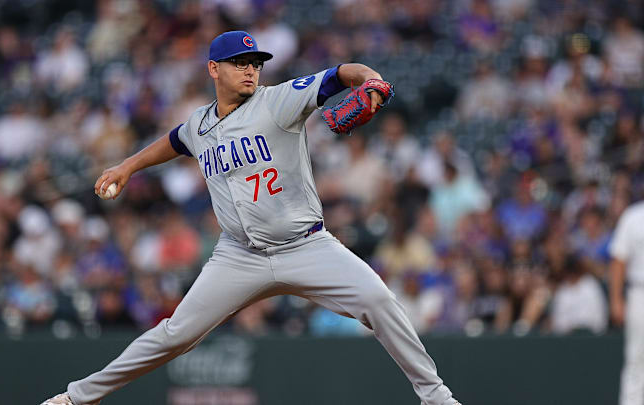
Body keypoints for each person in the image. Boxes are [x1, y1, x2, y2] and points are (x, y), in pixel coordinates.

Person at [40, 31, 460, 405]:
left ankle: (436, 397)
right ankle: (79, 397)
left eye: (255, 63)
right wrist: (128, 166)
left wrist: (370, 81)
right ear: (213, 69)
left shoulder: (277, 101)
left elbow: (339, 74)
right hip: (238, 256)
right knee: (175, 335)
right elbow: (173, 142)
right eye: (240, 63)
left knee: (379, 300)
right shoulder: (199, 125)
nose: (250, 70)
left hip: (306, 246)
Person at [609, 200, 644, 405]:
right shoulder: (633, 216)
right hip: (640, 292)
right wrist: (616, 299)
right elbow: (618, 260)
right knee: (636, 359)